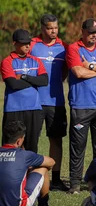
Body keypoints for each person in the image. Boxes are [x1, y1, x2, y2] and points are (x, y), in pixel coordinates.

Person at [66, 18, 96, 194]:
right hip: (80, 105)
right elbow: (78, 72)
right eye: (91, 32)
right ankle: (75, 184)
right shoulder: (73, 48)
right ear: (83, 31)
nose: (94, 35)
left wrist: (90, 65)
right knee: (78, 146)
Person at [30, 14, 69, 191]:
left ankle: (55, 179)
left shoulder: (63, 48)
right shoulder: (32, 45)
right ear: (42, 28)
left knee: (56, 140)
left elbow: (65, 72)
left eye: (56, 28)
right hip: (34, 102)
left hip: (56, 102)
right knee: (32, 140)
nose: (53, 31)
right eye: (49, 28)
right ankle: (30, 176)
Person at [1, 29, 48, 153]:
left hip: (34, 109)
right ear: (15, 43)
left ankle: (30, 173)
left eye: (29, 42)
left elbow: (44, 81)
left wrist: (23, 77)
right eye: (23, 43)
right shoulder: (7, 61)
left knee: (32, 147)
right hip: (13, 109)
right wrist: (33, 81)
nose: (28, 46)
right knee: (10, 148)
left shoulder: (36, 61)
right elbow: (13, 84)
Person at [0, 121, 56, 206]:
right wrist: (30, 167)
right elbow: (51, 162)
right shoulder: (24, 155)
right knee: (43, 167)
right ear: (19, 141)